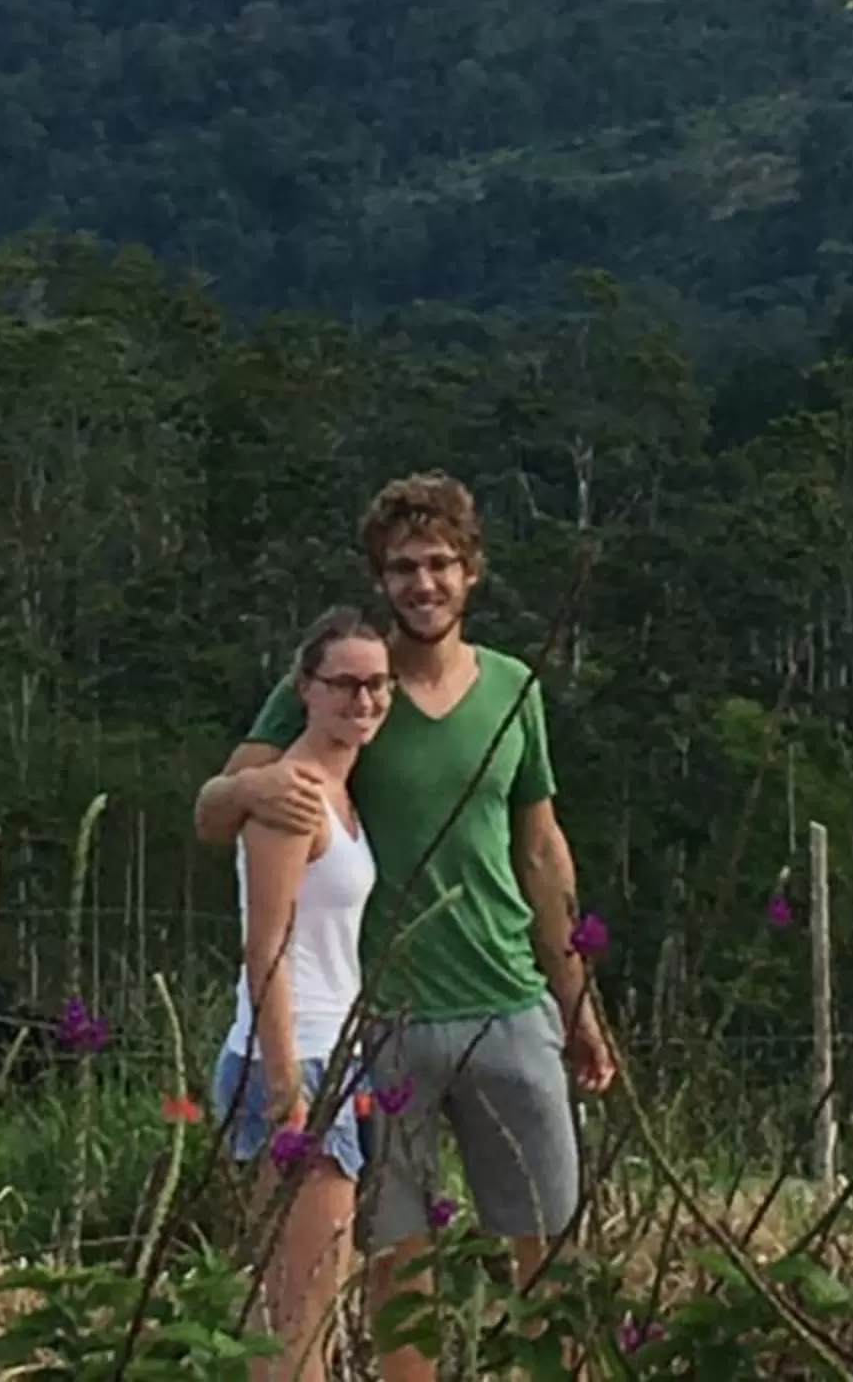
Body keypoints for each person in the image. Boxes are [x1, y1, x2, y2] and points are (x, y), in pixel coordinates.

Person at [196, 475, 614, 1382]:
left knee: (550, 1248)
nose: (422, 584)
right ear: (380, 580)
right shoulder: (346, 682)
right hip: (380, 1020)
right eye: (402, 568)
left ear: (471, 573)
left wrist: (577, 1000)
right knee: (399, 1265)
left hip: (508, 1002)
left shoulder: (514, 688)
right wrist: (245, 790)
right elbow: (224, 803)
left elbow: (540, 851)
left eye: (438, 565)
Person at [211, 604, 392, 1382]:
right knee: (303, 1313)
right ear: (305, 690)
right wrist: (288, 1090)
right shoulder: (288, 797)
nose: (364, 702)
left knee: (295, 1304)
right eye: (344, 684)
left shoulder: (340, 793)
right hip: (297, 1060)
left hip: (331, 1055)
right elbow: (268, 948)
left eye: (378, 686)